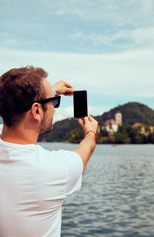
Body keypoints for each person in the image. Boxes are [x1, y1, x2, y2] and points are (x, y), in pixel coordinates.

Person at [0, 66, 98, 237]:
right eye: (54, 102)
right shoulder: (54, 169)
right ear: (36, 111)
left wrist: (50, 91)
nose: (54, 108)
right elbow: (85, 150)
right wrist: (91, 132)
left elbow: (14, 100)